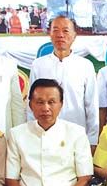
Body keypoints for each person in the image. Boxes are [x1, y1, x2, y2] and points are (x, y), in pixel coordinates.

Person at [30, 16, 99, 153]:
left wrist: (92, 139)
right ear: (49, 34)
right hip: (44, 133)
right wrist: (32, 133)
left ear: (74, 35)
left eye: (65, 31)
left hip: (77, 133)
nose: (60, 35)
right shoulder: (38, 65)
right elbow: (31, 104)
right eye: (55, 30)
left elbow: (91, 104)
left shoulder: (85, 65)